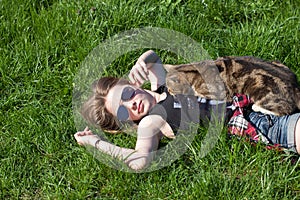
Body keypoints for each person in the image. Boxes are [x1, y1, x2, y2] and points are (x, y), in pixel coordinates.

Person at [74, 50, 300, 171]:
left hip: (251, 97)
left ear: (132, 84)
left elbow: (153, 57)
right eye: (123, 112)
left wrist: (141, 61)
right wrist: (95, 143)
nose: (131, 104)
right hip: (256, 123)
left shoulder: (160, 85)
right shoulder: (150, 122)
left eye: (127, 95)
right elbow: (140, 160)